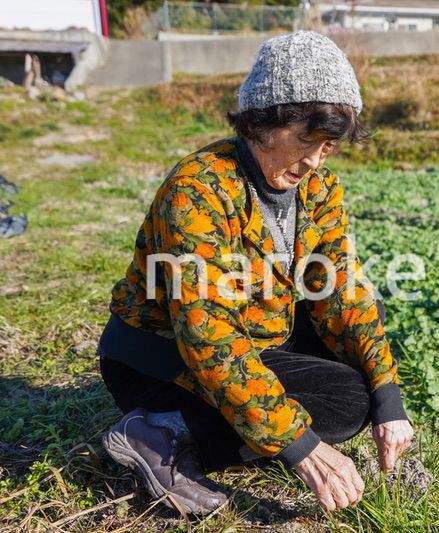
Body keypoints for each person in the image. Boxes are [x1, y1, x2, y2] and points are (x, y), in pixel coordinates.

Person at [96, 30, 414, 516]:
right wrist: (302, 448)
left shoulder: (318, 189)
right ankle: (161, 433)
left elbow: (341, 289)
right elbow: (209, 336)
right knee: (344, 404)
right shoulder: (199, 189)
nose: (313, 161)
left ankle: (223, 424)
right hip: (163, 357)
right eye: (305, 139)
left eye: (328, 146)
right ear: (262, 122)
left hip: (256, 334)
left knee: (363, 375)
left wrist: (389, 396)